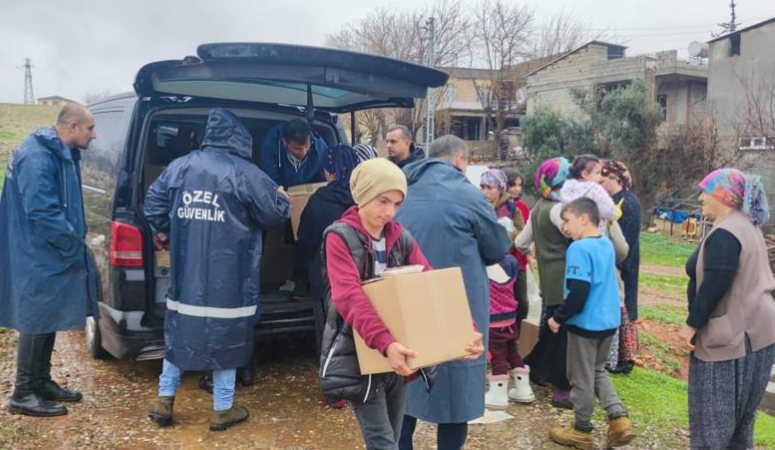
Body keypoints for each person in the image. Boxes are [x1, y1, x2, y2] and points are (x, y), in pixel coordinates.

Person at [318, 158, 484, 450]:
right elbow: (349, 296)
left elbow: (430, 283)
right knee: (384, 443)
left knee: (393, 437)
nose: (390, 212)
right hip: (360, 354)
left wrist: (465, 331)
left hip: (400, 354)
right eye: (383, 201)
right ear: (363, 195)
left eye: (396, 204)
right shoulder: (339, 237)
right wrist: (385, 342)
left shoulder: (400, 237)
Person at [144, 108, 291, 432]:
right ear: (240, 138)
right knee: (228, 336)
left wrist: (169, 233)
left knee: (180, 332)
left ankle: (164, 402)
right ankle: (222, 410)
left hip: (188, 271)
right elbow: (274, 214)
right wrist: (281, 197)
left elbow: (152, 205)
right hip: (231, 275)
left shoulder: (179, 167)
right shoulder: (245, 172)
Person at [396, 135, 510, 450]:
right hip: (459, 305)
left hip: (407, 302)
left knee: (406, 382)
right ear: (460, 160)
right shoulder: (468, 195)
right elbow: (498, 247)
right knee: (455, 390)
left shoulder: (402, 191)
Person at [0, 104, 98, 417]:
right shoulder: (37, 157)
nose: (93, 135)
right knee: (36, 316)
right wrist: (71, 243)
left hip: (47, 250)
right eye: (89, 129)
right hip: (37, 251)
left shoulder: (58, 152)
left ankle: (40, 381)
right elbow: (42, 211)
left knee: (47, 314)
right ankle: (24, 392)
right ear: (72, 126)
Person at [679, 169, 775, 450]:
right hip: (759, 334)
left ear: (722, 195)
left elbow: (715, 283)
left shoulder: (727, 232)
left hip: (731, 341)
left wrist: (691, 325)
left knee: (712, 427)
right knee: (738, 427)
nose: (700, 197)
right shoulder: (747, 224)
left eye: (705, 191)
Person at [547, 197, 635, 450]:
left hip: (585, 324)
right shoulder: (605, 243)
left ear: (584, 219)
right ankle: (618, 419)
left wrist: (557, 317)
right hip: (609, 321)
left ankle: (581, 430)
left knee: (580, 378)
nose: (564, 227)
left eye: (567, 220)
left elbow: (578, 292)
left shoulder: (578, 249)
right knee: (597, 370)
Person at [515, 157, 573, 409]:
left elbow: (520, 243)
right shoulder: (559, 209)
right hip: (566, 277)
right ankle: (561, 388)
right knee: (563, 335)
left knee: (550, 329)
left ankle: (535, 369)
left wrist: (539, 250)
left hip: (546, 277)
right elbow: (573, 234)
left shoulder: (538, 206)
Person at [480, 169, 535, 408]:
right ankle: (523, 388)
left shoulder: (511, 209)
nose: (484, 191)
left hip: (495, 310)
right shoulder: (482, 206)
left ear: (499, 188)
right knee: (511, 349)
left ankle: (498, 393)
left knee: (498, 352)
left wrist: (503, 235)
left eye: (488, 187)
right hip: (509, 313)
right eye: (481, 186)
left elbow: (520, 233)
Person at [296, 145, 360, 301]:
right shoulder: (365, 198)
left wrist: (299, 276)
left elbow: (304, 240)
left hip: (325, 281)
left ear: (330, 172)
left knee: (328, 323)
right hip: (360, 277)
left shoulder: (318, 201)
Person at [601, 160, 641, 375]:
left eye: (604, 179)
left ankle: (626, 359)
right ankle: (616, 357)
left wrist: (620, 265)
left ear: (615, 179)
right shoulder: (611, 200)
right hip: (614, 261)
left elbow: (630, 239)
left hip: (625, 265)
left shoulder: (629, 203)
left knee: (625, 311)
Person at [258, 118, 328, 187]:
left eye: (307, 147)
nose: (304, 152)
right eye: (297, 149)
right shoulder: (270, 144)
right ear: (285, 142)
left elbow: (324, 179)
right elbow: (269, 180)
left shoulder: (320, 148)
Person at [561, 154, 617, 234]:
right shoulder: (594, 189)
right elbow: (611, 213)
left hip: (574, 236)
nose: (600, 177)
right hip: (595, 235)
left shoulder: (566, 189)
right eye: (597, 173)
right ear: (585, 174)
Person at [505, 169, 531, 330]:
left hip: (519, 261)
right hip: (502, 261)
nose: (516, 189)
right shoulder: (497, 206)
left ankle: (519, 334)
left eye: (519, 185)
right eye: (513, 185)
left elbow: (527, 234)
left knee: (522, 301)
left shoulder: (522, 207)